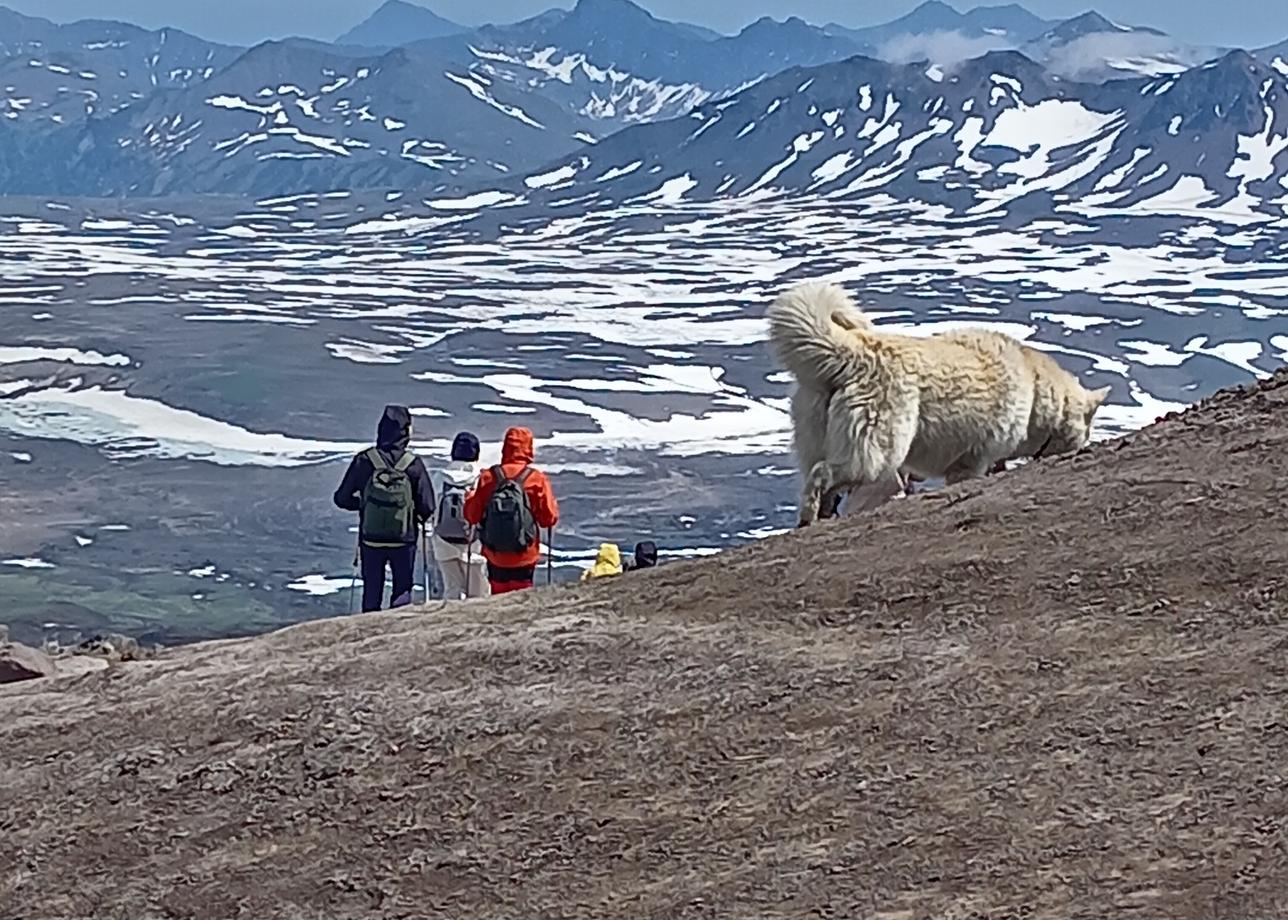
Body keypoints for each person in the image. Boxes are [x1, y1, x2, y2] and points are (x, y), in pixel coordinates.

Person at [333, 405, 435, 613]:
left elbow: (341, 498)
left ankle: (369, 633)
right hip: (403, 539)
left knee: (371, 590)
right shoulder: (413, 464)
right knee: (402, 588)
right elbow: (428, 506)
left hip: (371, 538)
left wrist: (364, 505)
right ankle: (398, 633)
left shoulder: (364, 460)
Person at [463, 426, 559, 595]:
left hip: (495, 554)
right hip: (525, 554)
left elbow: (472, 515)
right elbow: (548, 519)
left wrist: (470, 498)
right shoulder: (536, 479)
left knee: (498, 594)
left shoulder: (489, 477)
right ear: (528, 448)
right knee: (522, 597)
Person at [429, 431, 489, 600]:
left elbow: (431, 508)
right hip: (473, 541)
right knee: (478, 592)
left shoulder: (440, 477)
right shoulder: (481, 478)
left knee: (451, 589)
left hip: (443, 539)